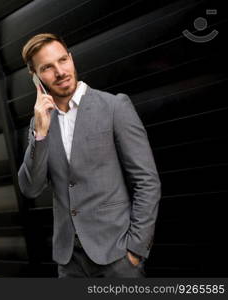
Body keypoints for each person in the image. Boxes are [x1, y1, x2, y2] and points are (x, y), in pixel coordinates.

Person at [17, 33, 161, 278]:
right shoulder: (38, 122)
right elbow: (30, 188)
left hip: (117, 257)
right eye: (48, 68)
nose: (60, 71)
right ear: (36, 77)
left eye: (63, 60)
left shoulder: (114, 107)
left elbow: (147, 182)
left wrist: (136, 248)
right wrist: (40, 134)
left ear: (71, 58)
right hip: (69, 262)